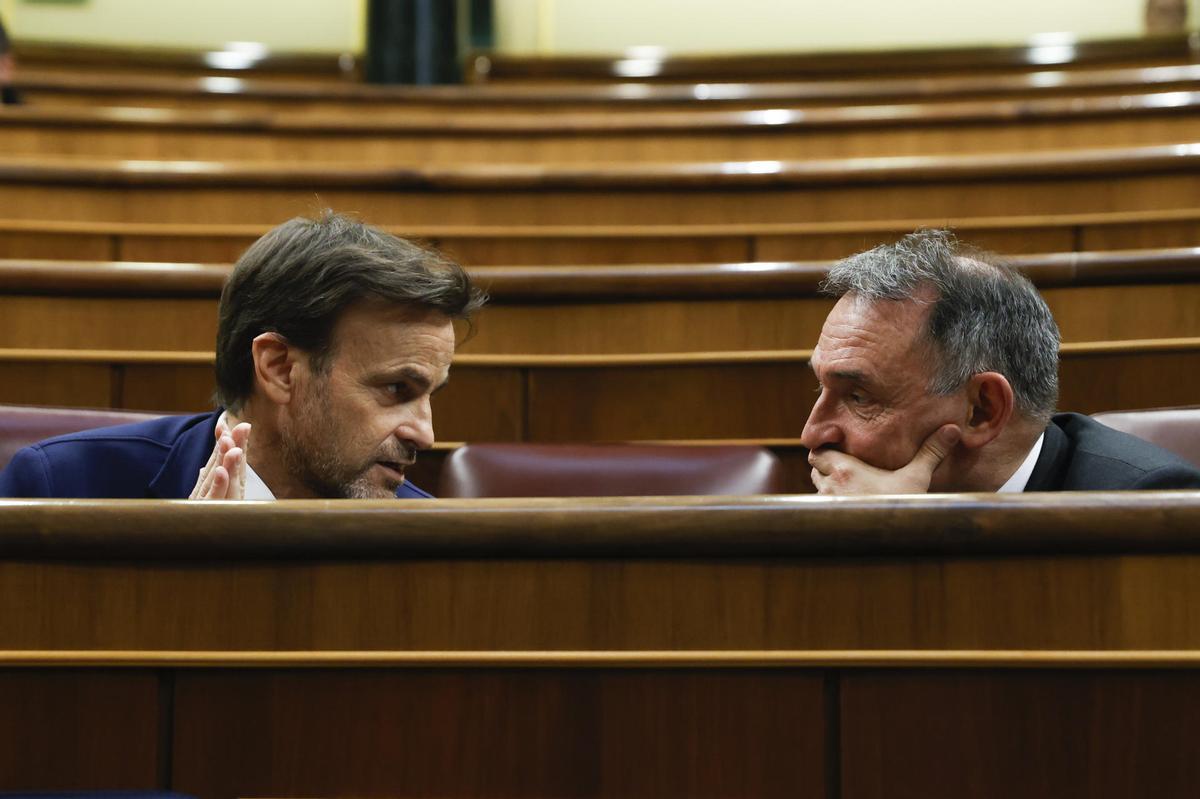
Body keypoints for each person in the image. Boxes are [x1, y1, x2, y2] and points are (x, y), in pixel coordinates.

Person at [0, 212, 486, 499]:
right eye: (396, 389)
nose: (425, 432)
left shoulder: (422, 531)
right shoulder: (60, 486)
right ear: (278, 367)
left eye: (428, 396)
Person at [801, 229, 1200, 494]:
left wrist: (909, 534)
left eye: (859, 396)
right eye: (822, 386)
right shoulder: (849, 494)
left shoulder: (1150, 507)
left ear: (982, 410)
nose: (812, 433)